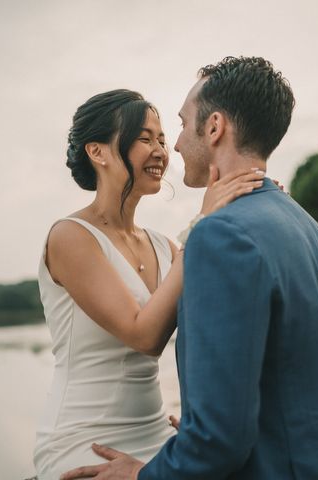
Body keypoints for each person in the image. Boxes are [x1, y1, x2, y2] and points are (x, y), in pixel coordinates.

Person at [61, 57, 318, 479]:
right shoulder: (311, 229)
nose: (171, 147)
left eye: (181, 124)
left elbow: (219, 439)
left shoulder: (220, 236)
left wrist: (142, 475)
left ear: (213, 127)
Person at [33, 88, 265, 479]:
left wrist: (256, 212)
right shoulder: (70, 237)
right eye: (144, 138)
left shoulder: (167, 247)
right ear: (99, 152)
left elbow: (208, 327)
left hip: (156, 435)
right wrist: (204, 225)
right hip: (84, 440)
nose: (161, 150)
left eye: (161, 138)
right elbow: (144, 336)